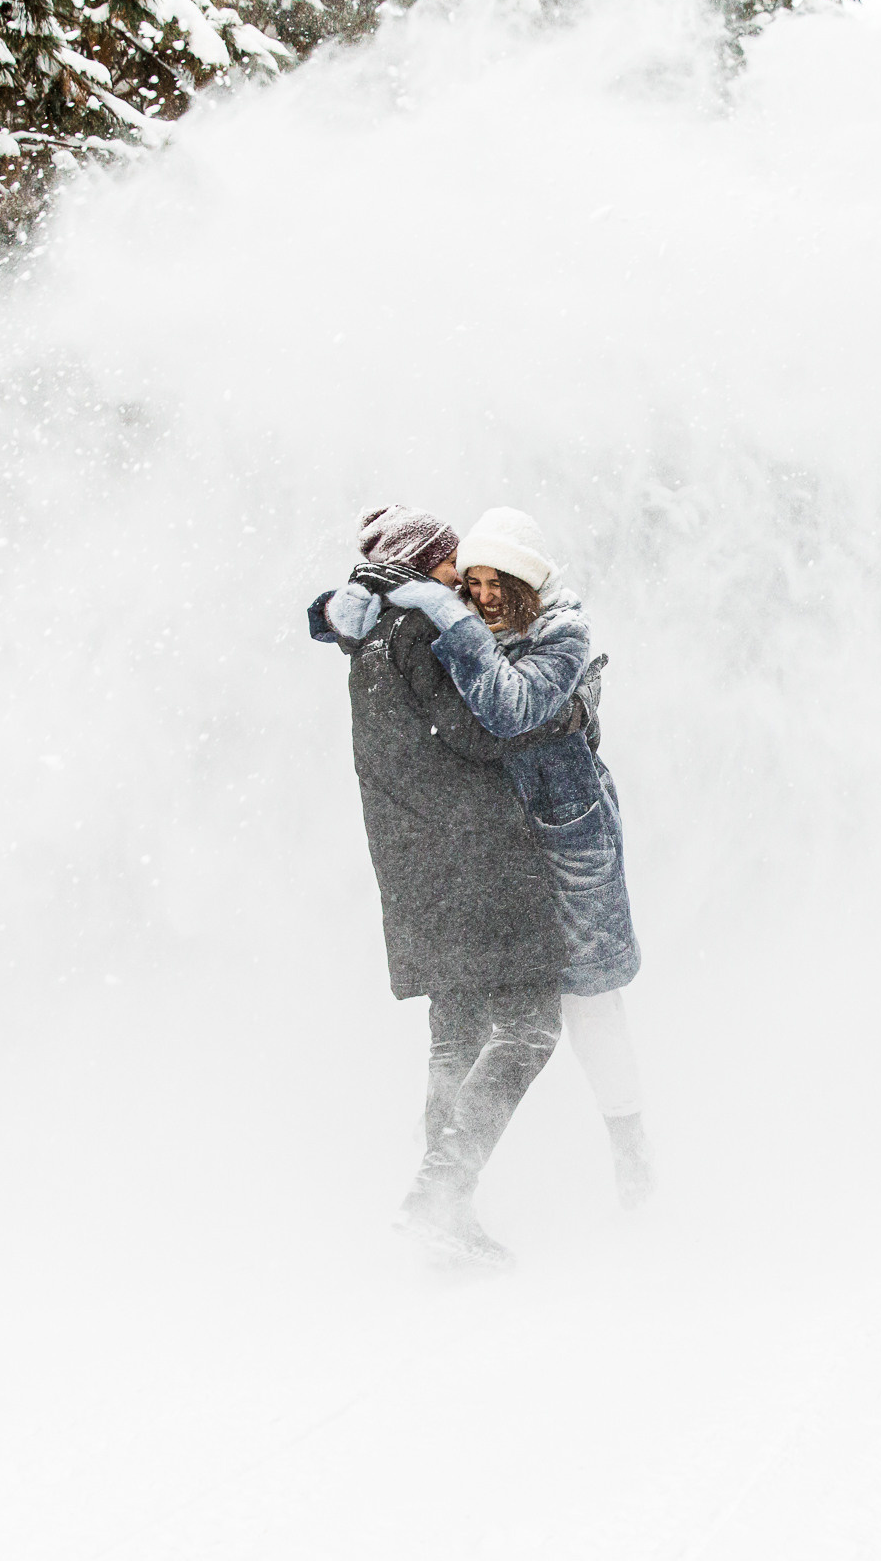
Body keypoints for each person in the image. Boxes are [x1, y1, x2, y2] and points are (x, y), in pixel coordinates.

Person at [308, 504, 575, 1267]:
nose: (463, 577)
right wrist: (561, 716)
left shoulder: (367, 640)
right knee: (527, 1028)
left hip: (415, 869)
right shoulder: (422, 632)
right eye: (452, 560)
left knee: (456, 1041)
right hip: (476, 860)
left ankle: (445, 1214)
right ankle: (440, 1191)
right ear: (427, 561)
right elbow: (478, 732)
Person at [378, 506, 651, 1204]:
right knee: (476, 1017)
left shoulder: (561, 633)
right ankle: (438, 1181)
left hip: (570, 844)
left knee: (590, 1004)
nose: (483, 596)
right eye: (471, 583)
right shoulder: (470, 633)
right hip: (502, 851)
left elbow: (506, 710)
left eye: (497, 583)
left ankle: (633, 1166)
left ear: (527, 583)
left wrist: (450, 617)